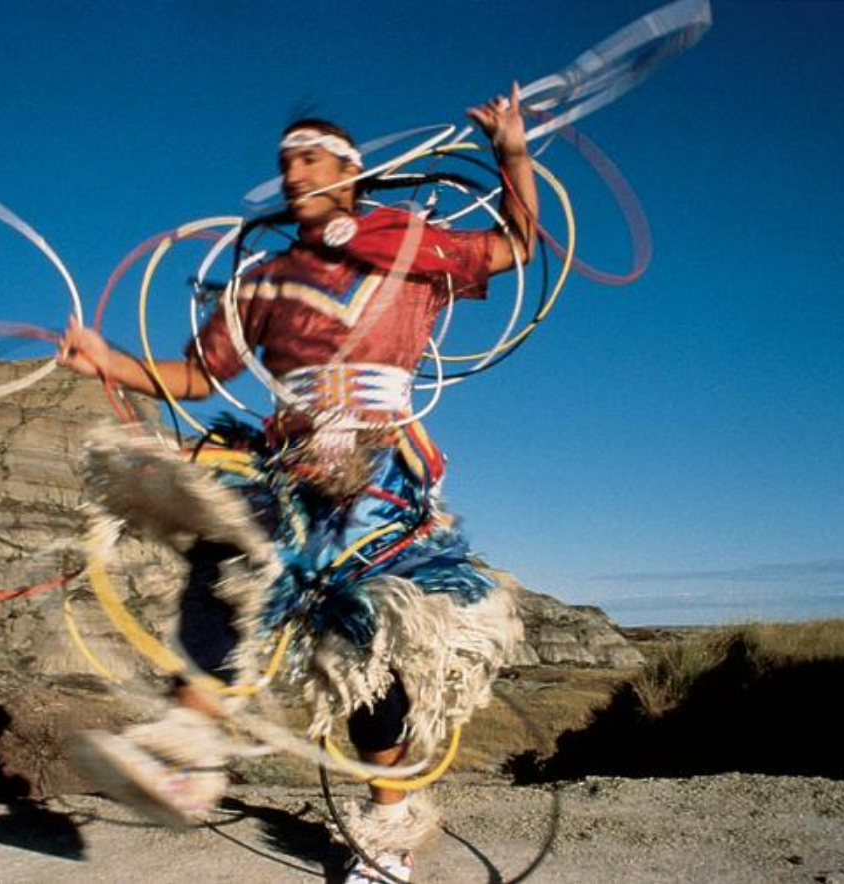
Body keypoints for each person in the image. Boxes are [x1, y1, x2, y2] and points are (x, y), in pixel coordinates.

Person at [60, 85, 536, 883]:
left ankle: (389, 828)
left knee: (365, 648)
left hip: (380, 474)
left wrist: (512, 152)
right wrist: (108, 362)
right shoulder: (264, 279)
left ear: (350, 171)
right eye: (284, 162)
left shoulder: (411, 245)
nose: (292, 172)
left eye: (309, 157)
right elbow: (196, 374)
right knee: (227, 555)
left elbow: (518, 245)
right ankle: (188, 748)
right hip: (287, 468)